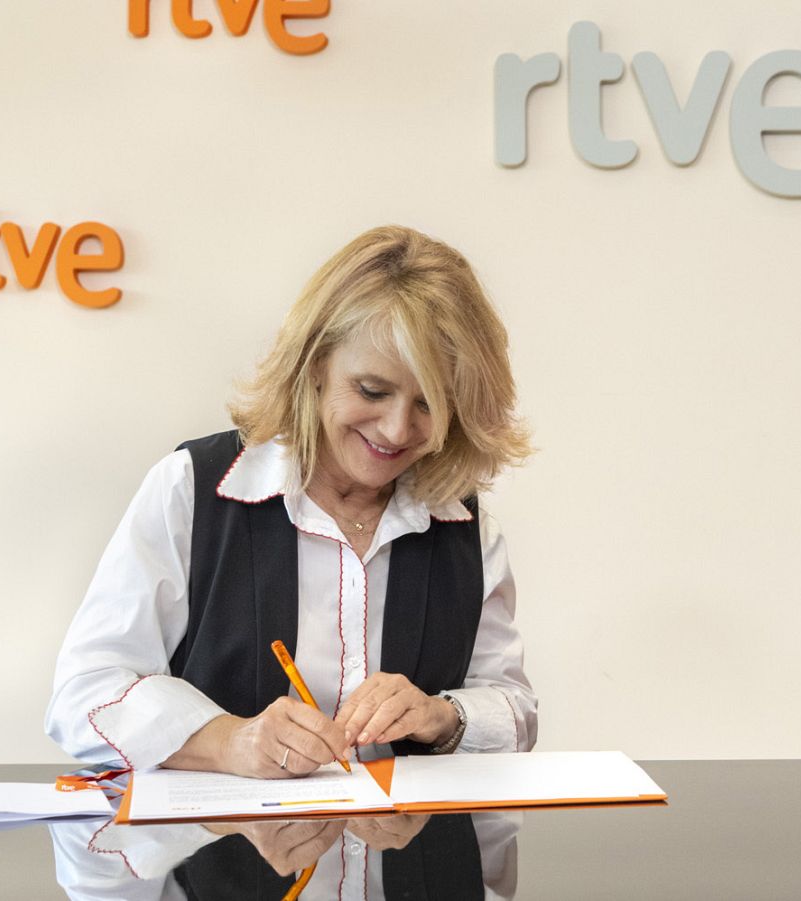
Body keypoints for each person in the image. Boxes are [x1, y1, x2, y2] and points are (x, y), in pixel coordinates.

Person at [46, 226, 536, 778]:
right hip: (221, 853)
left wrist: (442, 716)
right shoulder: (190, 490)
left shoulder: (464, 524)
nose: (398, 429)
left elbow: (515, 710)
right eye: (373, 391)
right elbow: (85, 693)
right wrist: (229, 741)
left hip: (409, 855)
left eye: (431, 403)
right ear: (316, 366)